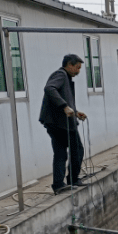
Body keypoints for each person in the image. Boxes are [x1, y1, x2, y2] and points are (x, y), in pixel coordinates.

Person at [39, 54, 88, 195]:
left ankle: (59, 184)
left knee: (61, 153)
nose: (78, 71)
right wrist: (65, 106)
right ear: (70, 65)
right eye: (77, 68)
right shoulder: (60, 75)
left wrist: (76, 112)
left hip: (57, 122)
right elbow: (49, 89)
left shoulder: (66, 78)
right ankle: (71, 179)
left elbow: (63, 98)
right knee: (77, 149)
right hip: (60, 124)